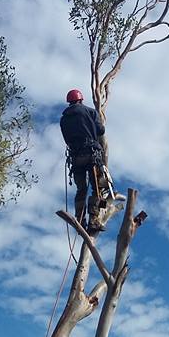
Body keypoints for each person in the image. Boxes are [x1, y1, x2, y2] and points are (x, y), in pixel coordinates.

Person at [60, 88, 108, 232]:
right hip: (91, 154)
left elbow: (67, 139)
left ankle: (80, 221)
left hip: (76, 158)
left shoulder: (64, 119)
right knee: (99, 188)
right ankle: (95, 219)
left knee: (81, 189)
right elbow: (101, 130)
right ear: (81, 99)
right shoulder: (90, 112)